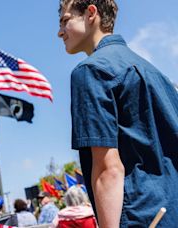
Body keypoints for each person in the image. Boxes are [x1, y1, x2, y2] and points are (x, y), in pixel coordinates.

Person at [58, 0, 178, 226]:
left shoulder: (90, 71)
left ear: (91, 13)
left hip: (142, 217)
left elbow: (108, 169)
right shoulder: (157, 74)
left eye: (65, 20)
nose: (59, 32)